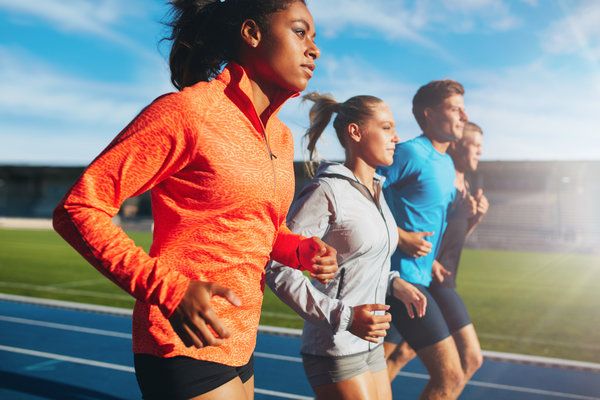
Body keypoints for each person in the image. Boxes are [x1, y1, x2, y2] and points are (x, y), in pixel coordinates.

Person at [52, 1, 338, 399]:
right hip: (180, 340)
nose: (314, 49)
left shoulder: (280, 136)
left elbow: (259, 229)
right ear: (252, 33)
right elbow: (77, 208)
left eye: (314, 37)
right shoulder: (188, 112)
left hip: (239, 340)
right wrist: (169, 290)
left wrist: (298, 250)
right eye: (300, 31)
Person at [265, 92, 401, 399]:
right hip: (335, 344)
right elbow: (277, 267)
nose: (396, 137)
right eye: (387, 128)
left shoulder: (378, 190)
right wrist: (345, 318)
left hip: (373, 342)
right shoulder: (326, 190)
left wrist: (395, 283)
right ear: (355, 132)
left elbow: (364, 259)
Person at [378, 79, 470, 399]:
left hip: (420, 278)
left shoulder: (445, 163)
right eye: (455, 108)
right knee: (451, 376)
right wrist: (400, 236)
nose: (464, 116)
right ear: (429, 113)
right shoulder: (409, 153)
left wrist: (431, 264)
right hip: (398, 284)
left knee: (377, 374)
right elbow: (363, 191)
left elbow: (425, 217)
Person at [383, 122, 489, 389]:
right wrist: (427, 260)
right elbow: (423, 227)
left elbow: (451, 239)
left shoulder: (459, 186)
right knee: (467, 361)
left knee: (393, 357)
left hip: (429, 276)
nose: (479, 151)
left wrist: (473, 218)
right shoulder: (440, 178)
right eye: (474, 144)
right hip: (427, 279)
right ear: (456, 143)